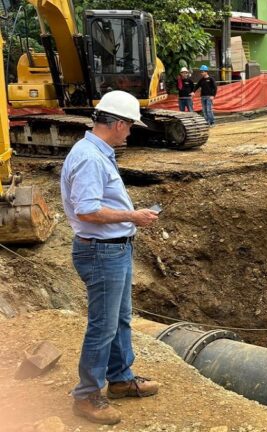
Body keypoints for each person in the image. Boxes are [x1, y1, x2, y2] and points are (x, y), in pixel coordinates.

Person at [61, 91, 160, 425]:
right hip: (102, 251)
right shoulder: (89, 157)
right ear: (118, 124)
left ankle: (119, 379)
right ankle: (87, 396)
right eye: (130, 125)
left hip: (112, 248)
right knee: (103, 326)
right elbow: (87, 210)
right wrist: (133, 216)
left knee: (120, 319)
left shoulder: (96, 152)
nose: (130, 132)